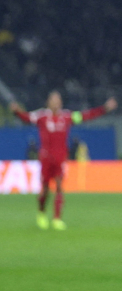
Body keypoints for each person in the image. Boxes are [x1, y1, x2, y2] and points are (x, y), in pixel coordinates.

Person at [9, 92, 116, 230]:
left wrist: (105, 108)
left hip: (60, 159)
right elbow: (27, 118)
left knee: (60, 186)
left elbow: (86, 116)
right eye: (53, 100)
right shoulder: (41, 116)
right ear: (48, 102)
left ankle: (57, 219)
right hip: (46, 159)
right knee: (45, 190)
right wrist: (16, 112)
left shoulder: (67, 116)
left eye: (58, 100)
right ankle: (41, 213)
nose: (56, 103)